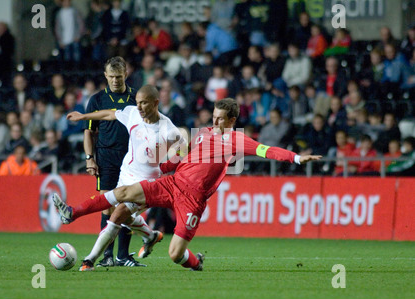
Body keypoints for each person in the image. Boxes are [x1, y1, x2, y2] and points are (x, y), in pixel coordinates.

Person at [54, 98, 322, 271]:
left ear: (232, 121)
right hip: (171, 184)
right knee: (122, 195)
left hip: (191, 201)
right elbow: (188, 158)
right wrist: (165, 166)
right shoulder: (204, 133)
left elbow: (267, 150)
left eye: (220, 119)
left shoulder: (238, 140)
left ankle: (196, 264)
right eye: (213, 117)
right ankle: (73, 213)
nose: (214, 122)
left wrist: (297, 157)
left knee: (175, 254)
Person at [57, 84, 184, 271]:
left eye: (144, 103)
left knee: (116, 214)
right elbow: (108, 114)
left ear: (156, 103)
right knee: (124, 217)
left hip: (147, 184)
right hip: (126, 175)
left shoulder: (167, 129)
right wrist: (84, 116)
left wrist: (168, 166)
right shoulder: (133, 113)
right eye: (138, 102)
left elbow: (183, 150)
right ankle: (150, 236)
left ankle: (89, 259)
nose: (139, 107)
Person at [83, 56, 141, 268]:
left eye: (119, 76)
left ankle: (123, 256)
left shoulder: (137, 97)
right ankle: (107, 256)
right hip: (106, 157)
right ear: (105, 76)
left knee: (128, 207)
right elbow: (89, 132)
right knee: (107, 206)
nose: (115, 80)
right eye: (111, 77)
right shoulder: (97, 100)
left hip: (131, 159)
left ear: (125, 74)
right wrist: (90, 159)